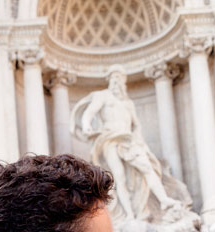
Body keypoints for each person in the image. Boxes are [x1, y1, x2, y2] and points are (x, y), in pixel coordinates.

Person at [72, 65, 179, 220]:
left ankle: (164, 200)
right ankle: (129, 214)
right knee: (118, 177)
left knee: (147, 168)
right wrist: (87, 125)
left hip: (129, 141)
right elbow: (89, 113)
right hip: (110, 140)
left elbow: (136, 125)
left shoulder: (128, 103)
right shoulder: (103, 96)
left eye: (120, 78)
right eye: (114, 78)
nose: (117, 81)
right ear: (109, 80)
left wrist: (141, 142)